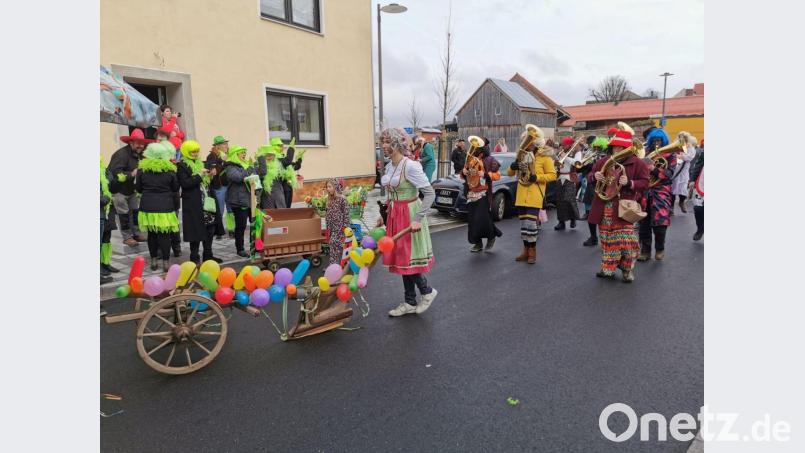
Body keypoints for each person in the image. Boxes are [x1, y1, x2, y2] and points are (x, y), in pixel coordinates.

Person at [377, 128, 438, 317]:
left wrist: (418, 219)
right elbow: (391, 193)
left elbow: (429, 193)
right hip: (396, 214)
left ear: (397, 143)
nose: (384, 146)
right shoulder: (389, 167)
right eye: (383, 142)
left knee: (407, 259)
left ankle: (427, 291)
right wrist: (385, 213)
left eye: (388, 142)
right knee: (402, 260)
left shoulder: (410, 166)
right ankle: (410, 302)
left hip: (410, 214)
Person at [588, 124, 650, 282]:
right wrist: (595, 176)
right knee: (607, 240)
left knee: (626, 242)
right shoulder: (602, 162)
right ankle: (607, 269)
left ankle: (627, 270)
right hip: (604, 207)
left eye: (620, 148)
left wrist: (629, 182)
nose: (616, 151)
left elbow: (645, 183)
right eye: (614, 148)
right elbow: (589, 177)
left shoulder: (638, 163)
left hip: (623, 208)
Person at [506, 126, 557, 264]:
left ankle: (532, 251)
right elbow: (510, 173)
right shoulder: (521, 155)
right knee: (524, 225)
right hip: (521, 194)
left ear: (535, 142)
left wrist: (537, 177)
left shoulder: (544, 156)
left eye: (527, 140)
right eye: (524, 140)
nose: (524, 143)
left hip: (534, 195)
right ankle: (525, 250)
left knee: (531, 225)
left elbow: (553, 175)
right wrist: (513, 166)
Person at [135, 141, 180, 271]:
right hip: (165, 207)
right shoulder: (170, 169)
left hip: (148, 206)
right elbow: (175, 188)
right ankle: (166, 262)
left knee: (152, 235)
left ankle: (154, 261)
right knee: (165, 235)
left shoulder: (142, 170)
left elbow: (138, 188)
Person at [178, 140, 221, 264]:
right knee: (195, 231)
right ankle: (194, 257)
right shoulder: (182, 166)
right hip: (194, 204)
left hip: (207, 202)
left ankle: (208, 255)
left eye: (197, 151)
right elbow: (185, 184)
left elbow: (206, 182)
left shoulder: (201, 162)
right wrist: (199, 175)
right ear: (186, 152)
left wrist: (211, 176)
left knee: (210, 228)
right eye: (192, 152)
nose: (195, 154)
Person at [637, 128, 678, 261]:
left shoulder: (670, 155)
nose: (656, 143)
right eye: (654, 140)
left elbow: (669, 175)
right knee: (644, 224)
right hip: (645, 192)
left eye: (659, 141)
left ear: (663, 141)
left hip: (661, 192)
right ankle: (645, 251)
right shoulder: (646, 153)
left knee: (660, 224)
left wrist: (654, 169)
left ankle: (660, 248)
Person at [108, 128, 152, 247]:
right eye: (138, 143)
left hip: (132, 189)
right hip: (119, 190)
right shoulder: (121, 154)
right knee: (124, 213)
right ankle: (127, 237)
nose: (141, 146)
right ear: (131, 142)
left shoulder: (141, 154)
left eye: (142, 143)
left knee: (135, 212)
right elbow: (114, 172)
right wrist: (131, 174)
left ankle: (136, 234)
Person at [462, 139, 502, 252]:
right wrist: (463, 172)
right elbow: (465, 173)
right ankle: (477, 243)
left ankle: (491, 237)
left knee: (482, 219)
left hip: (483, 193)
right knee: (472, 220)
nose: (474, 148)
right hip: (470, 192)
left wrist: (484, 174)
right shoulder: (470, 158)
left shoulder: (490, 160)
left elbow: (498, 175)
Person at [223, 145, 257, 257]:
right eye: (241, 153)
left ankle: (254, 246)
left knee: (254, 224)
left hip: (249, 199)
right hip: (238, 201)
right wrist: (250, 168)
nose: (244, 155)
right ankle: (240, 248)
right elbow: (238, 178)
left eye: (244, 153)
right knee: (241, 226)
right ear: (235, 155)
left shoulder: (246, 165)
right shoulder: (230, 167)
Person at [579, 137, 609, 246]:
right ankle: (593, 237)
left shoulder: (607, 158)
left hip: (605, 188)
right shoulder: (592, 156)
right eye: (595, 147)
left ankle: (606, 239)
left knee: (606, 216)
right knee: (591, 215)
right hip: (592, 186)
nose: (596, 149)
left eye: (599, 147)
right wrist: (587, 163)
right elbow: (582, 170)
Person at [554, 136, 582, 231]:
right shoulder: (561, 152)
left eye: (565, 145)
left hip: (570, 178)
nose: (563, 146)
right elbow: (556, 163)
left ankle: (573, 219)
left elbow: (576, 163)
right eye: (562, 145)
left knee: (569, 199)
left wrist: (565, 158)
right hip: (560, 177)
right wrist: (556, 159)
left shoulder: (577, 152)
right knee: (560, 201)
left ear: (570, 145)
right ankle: (561, 222)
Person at [206, 135, 230, 240]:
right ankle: (219, 231)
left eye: (226, 143)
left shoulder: (229, 154)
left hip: (229, 185)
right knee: (219, 209)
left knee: (230, 209)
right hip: (219, 186)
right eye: (224, 144)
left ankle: (232, 229)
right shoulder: (212, 155)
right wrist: (220, 160)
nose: (226, 145)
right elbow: (211, 168)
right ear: (218, 146)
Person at [670, 133, 698, 214]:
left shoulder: (691, 148)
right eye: (680, 138)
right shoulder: (675, 146)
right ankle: (671, 208)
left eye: (684, 138)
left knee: (683, 188)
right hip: (674, 169)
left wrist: (680, 156)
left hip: (683, 171)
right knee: (672, 189)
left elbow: (689, 157)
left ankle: (681, 202)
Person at [324, 178, 350, 264]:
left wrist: (345, 228)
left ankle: (342, 265)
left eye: (330, 187)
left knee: (338, 246)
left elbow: (346, 214)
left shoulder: (342, 199)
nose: (328, 189)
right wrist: (328, 228)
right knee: (333, 246)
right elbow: (327, 214)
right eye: (327, 187)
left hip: (340, 228)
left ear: (335, 187)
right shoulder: (329, 199)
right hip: (332, 228)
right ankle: (333, 266)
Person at [256, 141, 288, 209]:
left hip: (279, 196)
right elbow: (261, 174)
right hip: (267, 197)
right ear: (263, 157)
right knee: (269, 215)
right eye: (267, 155)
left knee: (281, 214)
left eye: (271, 155)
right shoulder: (258, 167)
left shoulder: (279, 166)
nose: (270, 157)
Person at [100, 157, 117, 284]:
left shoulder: (104, 170)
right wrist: (102, 199)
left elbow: (112, 185)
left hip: (108, 209)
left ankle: (105, 263)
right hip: (101, 209)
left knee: (107, 237)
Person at [689, 139, 704, 240]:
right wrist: (692, 180)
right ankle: (700, 229)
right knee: (698, 208)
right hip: (704, 182)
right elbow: (698, 165)